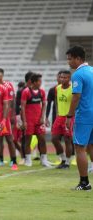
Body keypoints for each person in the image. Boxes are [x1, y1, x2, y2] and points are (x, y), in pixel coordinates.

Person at [66, 45, 93, 190]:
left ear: (78, 58)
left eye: (70, 59)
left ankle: (84, 182)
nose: (69, 62)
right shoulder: (92, 70)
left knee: (80, 147)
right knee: (92, 146)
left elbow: (76, 96)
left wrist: (69, 115)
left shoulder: (78, 74)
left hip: (84, 115)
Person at [21, 73, 51, 167]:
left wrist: (42, 117)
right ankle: (28, 160)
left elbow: (44, 104)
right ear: (33, 82)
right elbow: (22, 107)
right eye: (39, 81)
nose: (40, 83)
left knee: (42, 139)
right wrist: (24, 121)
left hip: (38, 120)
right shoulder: (26, 92)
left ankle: (44, 160)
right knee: (28, 140)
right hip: (29, 120)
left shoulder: (41, 92)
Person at [51, 70, 74, 169]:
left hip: (69, 117)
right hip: (59, 117)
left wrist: (71, 116)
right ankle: (63, 158)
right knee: (54, 139)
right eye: (61, 77)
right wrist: (57, 114)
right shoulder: (57, 88)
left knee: (67, 140)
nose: (63, 79)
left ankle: (67, 162)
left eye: (65, 77)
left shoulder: (73, 89)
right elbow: (56, 102)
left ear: (69, 78)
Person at [0, 67, 18, 170]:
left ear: (2, 75)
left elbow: (12, 100)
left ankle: (13, 161)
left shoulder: (8, 85)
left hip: (7, 116)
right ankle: (0, 160)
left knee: (9, 139)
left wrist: (13, 113)